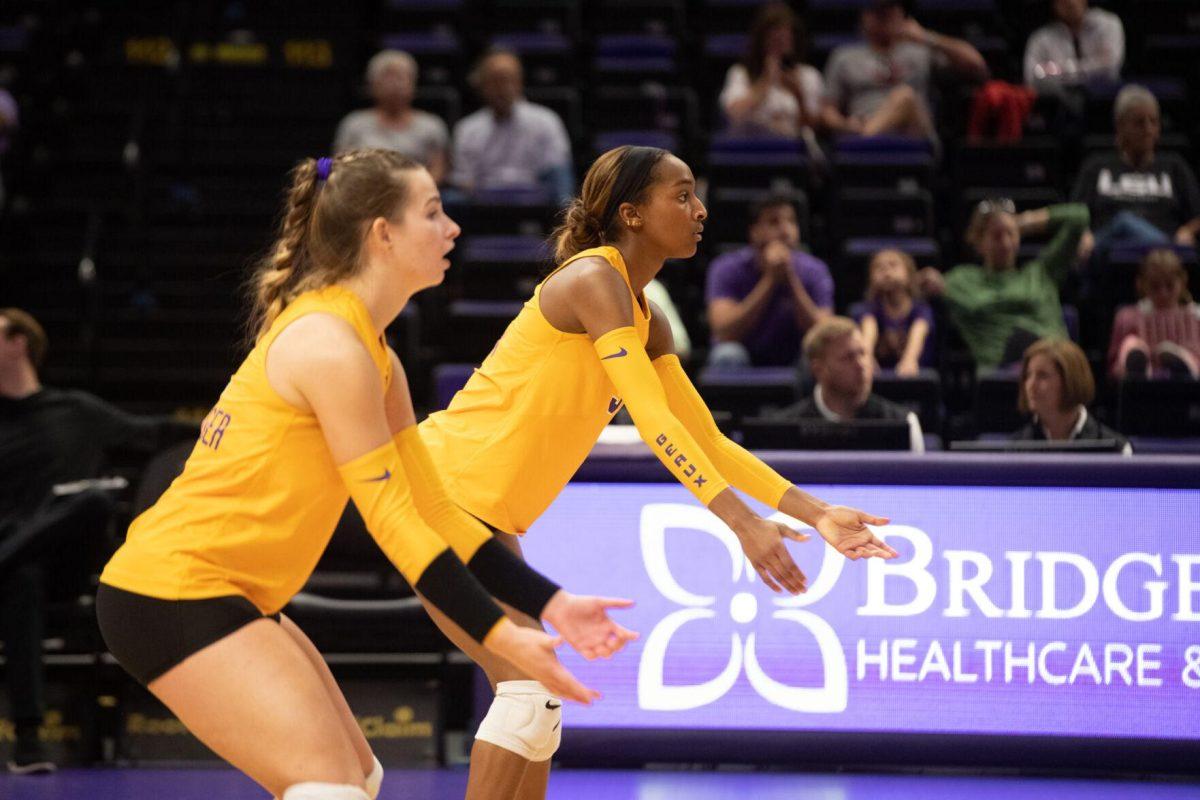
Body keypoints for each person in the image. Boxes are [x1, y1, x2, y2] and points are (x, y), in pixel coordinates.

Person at [94, 151, 637, 800]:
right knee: (330, 788)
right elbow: (393, 524)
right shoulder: (330, 347)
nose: (452, 228)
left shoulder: (374, 352)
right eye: (432, 213)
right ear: (382, 234)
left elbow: (435, 509)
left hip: (232, 593)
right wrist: (501, 638)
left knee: (359, 779)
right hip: (170, 593)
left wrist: (551, 603)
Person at [420, 146, 898, 800]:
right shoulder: (594, 279)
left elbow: (706, 440)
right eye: (681, 195)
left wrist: (814, 513)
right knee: (528, 693)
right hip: (439, 487)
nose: (700, 211)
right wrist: (740, 523)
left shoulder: (651, 317)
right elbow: (652, 421)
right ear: (631, 214)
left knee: (538, 697)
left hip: (484, 512)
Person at [0, 308, 196, 774]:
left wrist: (235, 428)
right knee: (21, 578)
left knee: (94, 500)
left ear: (19, 342)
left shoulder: (76, 412)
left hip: (62, 567)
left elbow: (156, 432)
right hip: (15, 573)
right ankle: (28, 740)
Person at [919, 200, 1090, 371]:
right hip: (1003, 376)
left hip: (1057, 367)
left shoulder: (1041, 273)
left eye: (1011, 234)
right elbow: (913, 290)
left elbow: (1078, 216)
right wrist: (926, 282)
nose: (1006, 243)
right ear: (978, 241)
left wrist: (1024, 221)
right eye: (997, 236)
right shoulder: (963, 280)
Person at [821, 0, 987, 140]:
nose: (885, 18)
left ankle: (865, 140)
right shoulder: (845, 56)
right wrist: (845, 124)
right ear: (864, 17)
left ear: (902, 14)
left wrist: (927, 37)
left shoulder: (920, 51)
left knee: (905, 96)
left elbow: (976, 65)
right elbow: (828, 111)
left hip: (914, 133)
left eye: (890, 11)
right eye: (878, 12)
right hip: (862, 124)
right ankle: (868, 137)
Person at [706, 192, 833, 367]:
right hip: (745, 353)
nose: (785, 229)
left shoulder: (815, 269)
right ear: (754, 232)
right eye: (774, 222)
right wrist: (770, 280)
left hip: (794, 356)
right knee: (726, 355)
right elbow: (724, 332)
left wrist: (791, 279)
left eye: (791, 221)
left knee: (820, 357)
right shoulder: (726, 268)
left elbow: (824, 335)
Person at [1074, 85, 1200, 261]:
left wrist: (1187, 231)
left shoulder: (1174, 166)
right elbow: (1075, 213)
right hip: (1109, 254)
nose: (1148, 129)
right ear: (1120, 126)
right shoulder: (1096, 166)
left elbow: (1197, 217)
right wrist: (1084, 234)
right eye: (1139, 122)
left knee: (1127, 223)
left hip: (1161, 257)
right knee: (1122, 224)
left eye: (1153, 122)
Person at [772, 317, 925, 453]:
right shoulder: (783, 429)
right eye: (848, 357)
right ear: (819, 370)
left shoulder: (905, 423)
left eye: (863, 353)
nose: (861, 365)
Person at [449, 47, 573, 204]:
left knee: (564, 198)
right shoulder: (467, 128)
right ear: (481, 85)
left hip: (534, 204)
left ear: (520, 82)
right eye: (495, 80)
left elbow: (558, 176)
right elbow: (463, 180)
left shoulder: (546, 121)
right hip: (485, 206)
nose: (503, 88)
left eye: (509, 79)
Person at [333, 50, 450, 184]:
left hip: (417, 193)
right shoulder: (354, 124)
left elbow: (438, 169)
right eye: (387, 77)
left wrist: (413, 191)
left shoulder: (432, 125)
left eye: (401, 77)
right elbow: (340, 167)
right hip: (364, 195)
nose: (395, 85)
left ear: (414, 84)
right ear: (372, 85)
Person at [720, 2, 824, 139]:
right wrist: (766, 81)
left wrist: (798, 95)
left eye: (784, 38)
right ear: (761, 40)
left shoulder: (808, 75)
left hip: (792, 149)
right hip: (750, 148)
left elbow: (814, 127)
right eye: (773, 38)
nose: (779, 44)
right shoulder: (741, 73)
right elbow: (734, 114)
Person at [1013, 338, 1130, 453]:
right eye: (1028, 375)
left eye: (1042, 375)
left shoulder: (1115, 449)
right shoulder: (1015, 449)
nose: (1030, 385)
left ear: (1071, 381)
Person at [1107, 248, 1200, 380]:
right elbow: (1112, 365)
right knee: (1131, 344)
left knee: (1191, 359)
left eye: (1169, 285)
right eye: (1155, 286)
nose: (1163, 293)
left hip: (1189, 385)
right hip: (1142, 386)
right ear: (1141, 284)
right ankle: (1138, 373)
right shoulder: (1128, 317)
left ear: (1183, 281)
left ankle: (1182, 365)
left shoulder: (1195, 316)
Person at [856, 248, 935, 376]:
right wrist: (867, 357)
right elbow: (868, 333)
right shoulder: (870, 310)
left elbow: (919, 332)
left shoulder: (920, 309)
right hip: (880, 376)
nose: (886, 270)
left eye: (893, 264)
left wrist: (910, 359)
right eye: (878, 267)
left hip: (915, 376)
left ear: (910, 275)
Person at [1023, 0, 1123, 90]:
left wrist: (1059, 70)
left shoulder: (1108, 24)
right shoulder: (1040, 39)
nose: (1071, 2)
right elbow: (1032, 77)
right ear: (1054, 4)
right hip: (1058, 101)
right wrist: (1094, 64)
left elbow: (1109, 68)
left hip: (1105, 95)